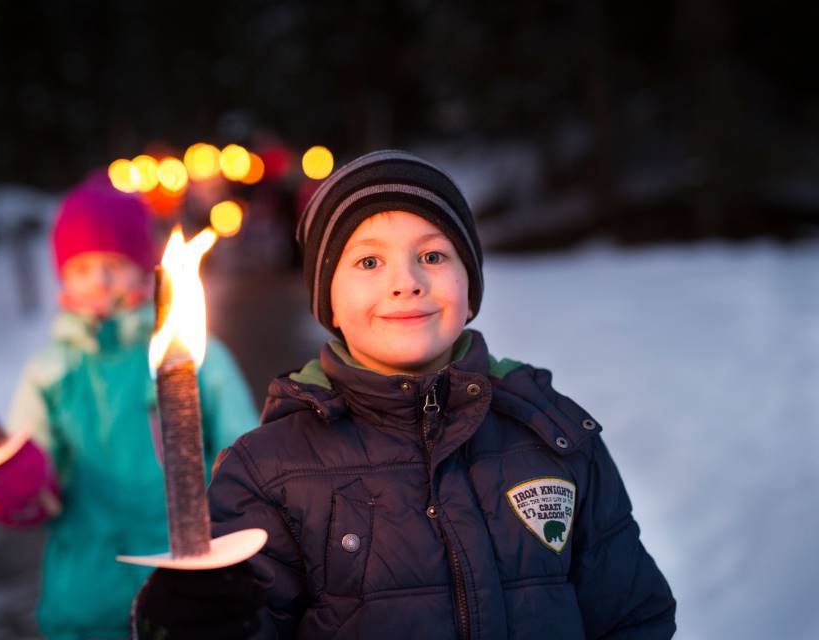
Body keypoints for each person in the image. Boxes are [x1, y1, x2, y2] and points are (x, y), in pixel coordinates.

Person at [134, 150, 676, 639]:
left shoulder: (550, 434)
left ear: (471, 289)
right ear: (329, 303)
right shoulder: (269, 472)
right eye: (369, 262)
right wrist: (182, 625)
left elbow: (631, 615)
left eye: (434, 256)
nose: (407, 281)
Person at [0, 172, 259, 640]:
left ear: (142, 265)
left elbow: (242, 445)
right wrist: (19, 484)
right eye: (83, 268)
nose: (100, 280)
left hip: (187, 579)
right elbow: (36, 464)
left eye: (114, 263)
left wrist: (239, 507)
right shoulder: (51, 371)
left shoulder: (192, 354)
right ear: (62, 274)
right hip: (88, 588)